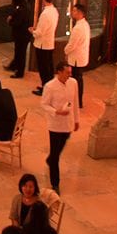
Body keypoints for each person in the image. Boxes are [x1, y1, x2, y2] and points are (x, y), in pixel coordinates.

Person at [42, 62, 80, 193]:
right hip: (55, 125)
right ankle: (55, 183)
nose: (70, 75)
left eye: (70, 72)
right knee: (56, 155)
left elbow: (75, 103)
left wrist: (76, 120)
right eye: (67, 72)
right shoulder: (50, 86)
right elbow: (44, 105)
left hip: (68, 124)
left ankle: (50, 159)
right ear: (59, 72)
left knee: (56, 152)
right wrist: (56, 111)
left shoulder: (73, 83)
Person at [31, 0, 59, 95]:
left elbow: (39, 32)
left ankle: (45, 88)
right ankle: (48, 86)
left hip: (42, 44)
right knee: (49, 67)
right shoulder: (55, 11)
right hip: (49, 42)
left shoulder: (45, 14)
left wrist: (33, 31)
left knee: (43, 68)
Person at [65, 2, 90, 108]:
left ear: (80, 13)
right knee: (78, 79)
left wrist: (65, 50)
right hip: (81, 57)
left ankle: (76, 102)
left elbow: (72, 44)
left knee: (76, 81)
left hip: (76, 58)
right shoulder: (85, 24)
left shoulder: (78, 28)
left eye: (74, 10)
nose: (72, 12)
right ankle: (77, 101)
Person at [6, 0, 34, 78]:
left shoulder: (21, 10)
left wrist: (9, 21)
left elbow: (17, 23)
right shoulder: (27, 7)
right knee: (20, 52)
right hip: (25, 35)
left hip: (21, 36)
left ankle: (19, 72)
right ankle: (14, 66)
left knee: (20, 53)